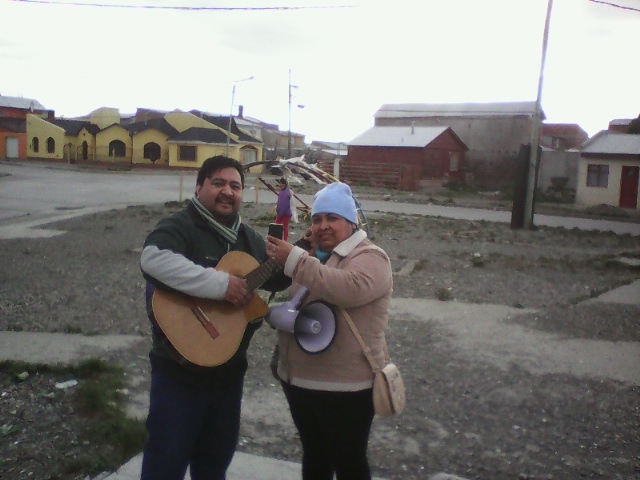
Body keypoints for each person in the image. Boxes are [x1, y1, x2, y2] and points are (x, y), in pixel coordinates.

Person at [139, 155, 290, 480]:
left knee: (214, 463)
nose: (227, 192)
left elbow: (275, 279)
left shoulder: (247, 238)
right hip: (178, 374)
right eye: (218, 183)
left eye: (235, 186)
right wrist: (222, 286)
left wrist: (302, 257)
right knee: (166, 462)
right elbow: (153, 259)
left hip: (229, 375)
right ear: (199, 188)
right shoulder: (182, 226)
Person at [266, 182, 393, 480]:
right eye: (317, 219)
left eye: (332, 218)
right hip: (299, 381)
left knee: (349, 462)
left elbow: (347, 288)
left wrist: (296, 259)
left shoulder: (371, 257)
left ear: (352, 222)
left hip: (346, 389)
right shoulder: (313, 255)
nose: (323, 226)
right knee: (315, 456)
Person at [275, 177, 292, 241]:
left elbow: (286, 205)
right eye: (280, 183)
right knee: (277, 225)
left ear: (285, 185)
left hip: (285, 213)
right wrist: (277, 208)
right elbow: (280, 202)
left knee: (284, 227)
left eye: (282, 183)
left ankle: (284, 240)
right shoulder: (281, 192)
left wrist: (281, 213)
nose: (280, 185)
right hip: (281, 213)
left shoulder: (287, 193)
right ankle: (278, 238)